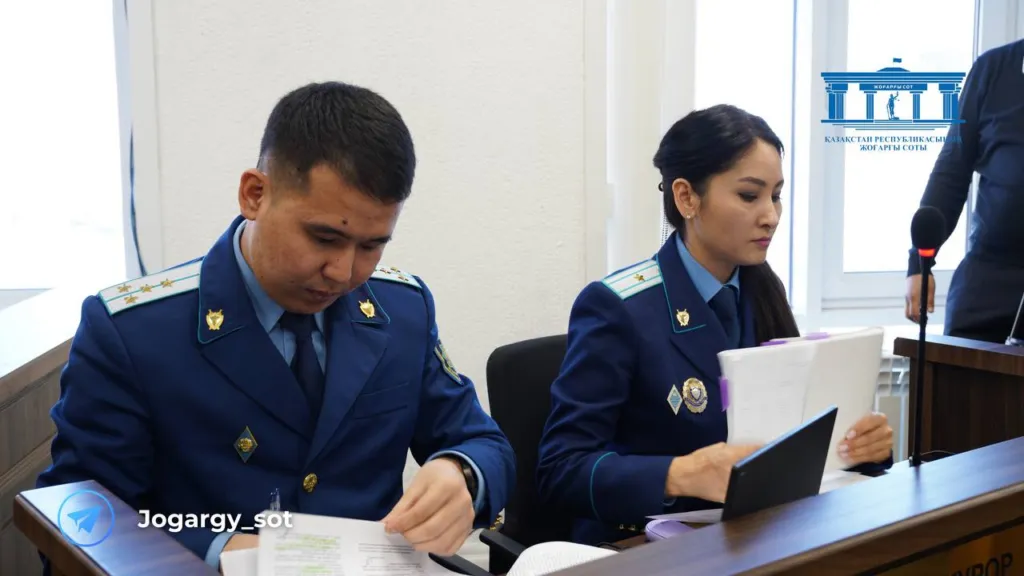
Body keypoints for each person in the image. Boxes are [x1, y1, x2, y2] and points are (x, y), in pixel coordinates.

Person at [36, 81, 515, 569]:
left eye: (372, 246)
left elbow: (485, 444)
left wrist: (462, 474)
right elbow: (79, 520)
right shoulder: (133, 332)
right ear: (255, 194)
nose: (343, 273)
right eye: (324, 238)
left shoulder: (402, 309)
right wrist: (218, 550)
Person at [536, 104, 894, 546]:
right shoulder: (618, 307)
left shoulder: (763, 289)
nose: (771, 215)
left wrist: (862, 449)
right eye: (749, 195)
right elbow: (560, 470)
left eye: (776, 195)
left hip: (754, 536)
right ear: (687, 198)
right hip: (647, 547)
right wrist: (682, 473)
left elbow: (788, 433)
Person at [905, 38, 1024, 343]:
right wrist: (919, 262)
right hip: (988, 279)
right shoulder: (992, 70)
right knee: (953, 366)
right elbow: (951, 173)